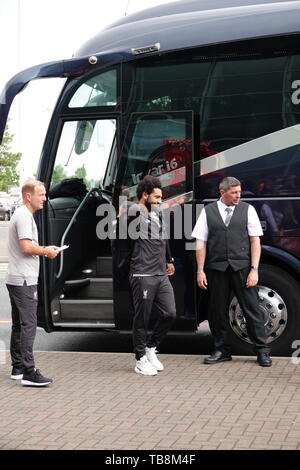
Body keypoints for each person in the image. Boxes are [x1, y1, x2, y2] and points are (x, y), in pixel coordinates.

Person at [192, 176, 272, 367]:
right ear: (223, 192)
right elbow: (200, 243)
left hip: (242, 268)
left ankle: (262, 351)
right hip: (216, 268)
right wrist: (200, 270)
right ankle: (222, 350)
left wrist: (254, 269)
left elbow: (255, 241)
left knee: (251, 309)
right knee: (217, 311)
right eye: (234, 192)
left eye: (239, 192)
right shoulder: (208, 211)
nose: (239, 196)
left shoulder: (248, 209)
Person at [120, 175, 176, 376]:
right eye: (157, 197)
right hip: (142, 272)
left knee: (170, 313)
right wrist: (129, 262)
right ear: (145, 195)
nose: (160, 201)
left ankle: (151, 348)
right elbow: (121, 240)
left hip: (160, 273)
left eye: (161, 197)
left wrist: (169, 260)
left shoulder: (157, 212)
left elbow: (164, 238)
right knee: (142, 318)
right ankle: (139, 358)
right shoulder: (133, 213)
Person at [6, 180, 59, 386]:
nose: (45, 198)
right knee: (29, 324)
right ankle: (29, 372)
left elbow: (27, 246)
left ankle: (18, 367)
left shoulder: (21, 214)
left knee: (19, 325)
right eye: (42, 194)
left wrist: (46, 247)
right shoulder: (24, 216)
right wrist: (47, 251)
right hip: (24, 280)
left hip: (17, 278)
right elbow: (26, 247)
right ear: (29, 196)